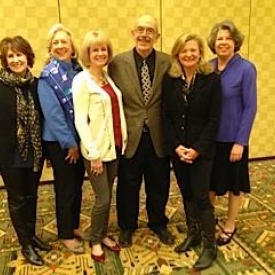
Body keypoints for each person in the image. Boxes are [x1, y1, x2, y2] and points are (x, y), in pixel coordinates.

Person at [108, 14, 174, 247]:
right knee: (128, 184)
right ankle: (127, 226)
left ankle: (158, 223)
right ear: (132, 33)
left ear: (157, 35)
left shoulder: (168, 62)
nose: (144, 34)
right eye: (140, 29)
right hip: (131, 136)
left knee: (159, 182)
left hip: (158, 135)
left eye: (150, 31)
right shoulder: (116, 63)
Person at [161, 33, 222, 269]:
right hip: (178, 150)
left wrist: (196, 149)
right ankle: (193, 233)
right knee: (186, 193)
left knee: (200, 196)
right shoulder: (170, 79)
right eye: (184, 51)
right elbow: (165, 117)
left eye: (193, 50)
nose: (188, 54)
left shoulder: (211, 79)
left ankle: (210, 246)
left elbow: (214, 120)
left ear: (200, 53)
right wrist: (176, 147)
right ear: (177, 54)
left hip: (201, 151)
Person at [72, 30, 127, 263]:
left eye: (103, 49)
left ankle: (103, 234)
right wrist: (93, 154)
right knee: (102, 199)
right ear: (87, 53)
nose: (100, 53)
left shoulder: (107, 78)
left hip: (113, 147)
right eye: (95, 50)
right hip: (96, 151)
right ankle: (95, 240)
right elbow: (80, 120)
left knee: (108, 195)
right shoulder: (81, 80)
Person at [0, 36, 52, 266]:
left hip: (34, 151)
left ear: (28, 57)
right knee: (17, 198)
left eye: (19, 54)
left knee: (32, 195)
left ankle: (31, 235)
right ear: (5, 60)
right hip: (8, 154)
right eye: (10, 56)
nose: (16, 59)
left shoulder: (36, 84)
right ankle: (25, 245)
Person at [207, 20, 257, 246]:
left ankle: (229, 224)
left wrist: (241, 141)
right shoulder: (207, 67)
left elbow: (250, 106)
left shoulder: (246, 68)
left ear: (235, 42)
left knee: (234, 184)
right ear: (213, 43)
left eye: (228, 38)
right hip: (210, 139)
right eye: (219, 38)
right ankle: (209, 220)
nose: (223, 42)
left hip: (233, 139)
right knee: (210, 182)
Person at [37, 23, 85, 253]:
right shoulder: (47, 77)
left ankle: (73, 226)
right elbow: (54, 115)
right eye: (55, 42)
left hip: (78, 139)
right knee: (66, 187)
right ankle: (65, 234)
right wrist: (70, 143)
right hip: (60, 142)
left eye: (64, 42)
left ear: (72, 47)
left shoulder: (77, 71)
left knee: (77, 185)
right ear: (50, 48)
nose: (60, 46)